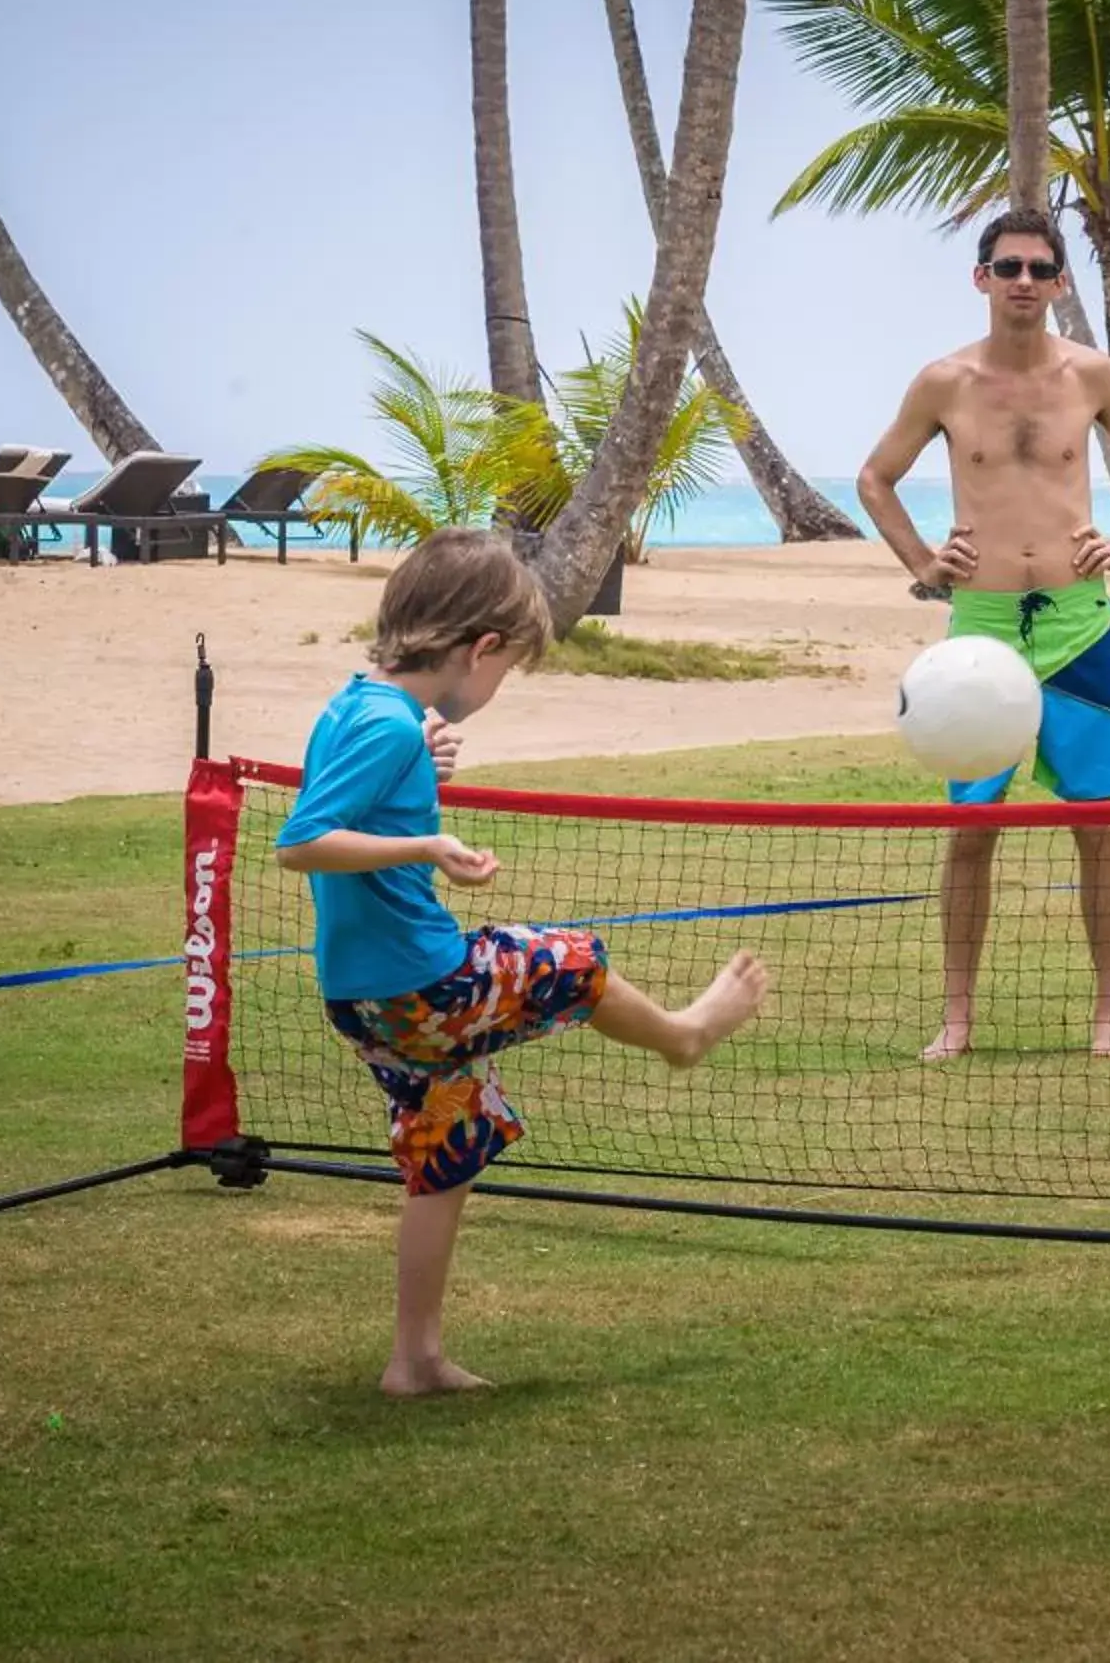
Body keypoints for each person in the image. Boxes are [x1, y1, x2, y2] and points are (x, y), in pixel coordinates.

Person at [277, 528, 770, 1396]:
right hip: (420, 984)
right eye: (507, 671)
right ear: (481, 647)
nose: (497, 687)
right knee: (567, 963)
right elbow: (304, 841)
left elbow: (350, 799)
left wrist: (414, 779)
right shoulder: (389, 726)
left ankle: (415, 1360)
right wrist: (428, 837)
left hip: (363, 996)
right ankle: (682, 1036)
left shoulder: (361, 708)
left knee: (446, 1153)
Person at [857, 207, 1110, 1061]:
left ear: (1061, 280)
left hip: (1081, 628)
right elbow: (875, 478)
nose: (1025, 282)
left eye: (1040, 268)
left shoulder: (1091, 376)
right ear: (982, 279)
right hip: (981, 639)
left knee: (1099, 826)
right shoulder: (945, 383)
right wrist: (926, 562)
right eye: (1009, 268)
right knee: (970, 832)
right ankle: (957, 1018)